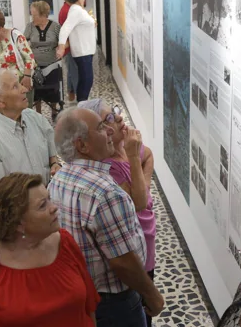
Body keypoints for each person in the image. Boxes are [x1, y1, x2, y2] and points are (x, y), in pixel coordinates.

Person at [49, 107, 164, 327]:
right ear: (82, 145)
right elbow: (123, 261)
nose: (109, 131)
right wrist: (152, 295)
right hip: (115, 303)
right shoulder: (106, 193)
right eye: (101, 127)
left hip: (83, 293)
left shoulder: (58, 179)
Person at [0, 173, 99, 326]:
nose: (54, 208)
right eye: (42, 205)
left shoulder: (65, 242)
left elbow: (89, 307)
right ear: (18, 223)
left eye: (49, 199)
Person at [78, 99, 157, 327]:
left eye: (115, 113)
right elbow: (140, 203)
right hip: (130, 251)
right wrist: (133, 159)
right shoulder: (109, 164)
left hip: (146, 239)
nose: (119, 118)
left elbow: (149, 155)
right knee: (140, 303)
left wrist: (144, 183)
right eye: (109, 119)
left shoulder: (123, 147)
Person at [0, 69, 61, 189]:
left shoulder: (34, 117)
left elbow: (50, 145)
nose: (24, 89)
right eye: (15, 87)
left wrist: (54, 163)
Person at [0, 10, 38, 107]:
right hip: (2, 87)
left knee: (24, 112)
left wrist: (27, 77)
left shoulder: (16, 36)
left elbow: (29, 58)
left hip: (20, 83)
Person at [56, 0, 97, 103]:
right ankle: (82, 105)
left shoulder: (78, 9)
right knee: (86, 80)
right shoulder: (76, 11)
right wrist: (61, 46)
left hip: (86, 51)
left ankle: (82, 104)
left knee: (85, 80)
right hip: (82, 51)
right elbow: (65, 28)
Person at [24, 1, 62, 114]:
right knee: (36, 91)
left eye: (34, 15)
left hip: (52, 64)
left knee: (53, 90)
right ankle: (38, 113)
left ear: (43, 15)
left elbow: (64, 42)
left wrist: (60, 49)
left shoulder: (55, 27)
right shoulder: (30, 26)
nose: (32, 17)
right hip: (35, 64)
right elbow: (23, 42)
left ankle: (54, 111)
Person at [58, 0, 79, 103]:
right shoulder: (68, 11)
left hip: (70, 46)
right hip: (71, 47)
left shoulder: (67, 9)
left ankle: (71, 94)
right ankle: (81, 99)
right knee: (75, 72)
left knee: (72, 71)